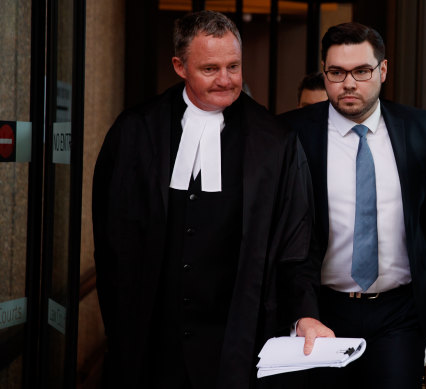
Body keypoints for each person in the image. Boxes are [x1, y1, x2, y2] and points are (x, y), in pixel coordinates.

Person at [92, 11, 332, 389]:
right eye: (210, 68)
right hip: (152, 345)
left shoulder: (275, 142)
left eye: (234, 66)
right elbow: (112, 243)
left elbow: (296, 243)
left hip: (236, 344)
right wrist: (123, 327)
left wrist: (304, 313)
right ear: (179, 66)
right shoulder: (136, 133)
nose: (226, 79)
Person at [279, 22, 426, 388]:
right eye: (337, 72)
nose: (349, 83)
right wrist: (299, 310)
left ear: (383, 71)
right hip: (324, 309)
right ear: (324, 72)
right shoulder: (292, 132)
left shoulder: (417, 126)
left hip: (398, 310)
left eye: (361, 71)